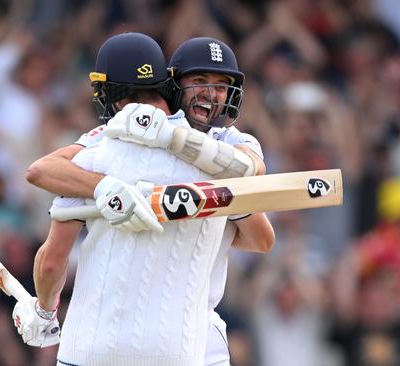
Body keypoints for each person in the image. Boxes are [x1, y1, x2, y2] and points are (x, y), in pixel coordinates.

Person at [14, 35, 274, 365]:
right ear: (171, 84)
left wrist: (43, 309)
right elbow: (41, 170)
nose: (210, 93)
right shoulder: (217, 165)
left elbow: (51, 256)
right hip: (184, 347)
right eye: (199, 81)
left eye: (221, 85)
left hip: (94, 348)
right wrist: (105, 188)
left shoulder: (101, 152)